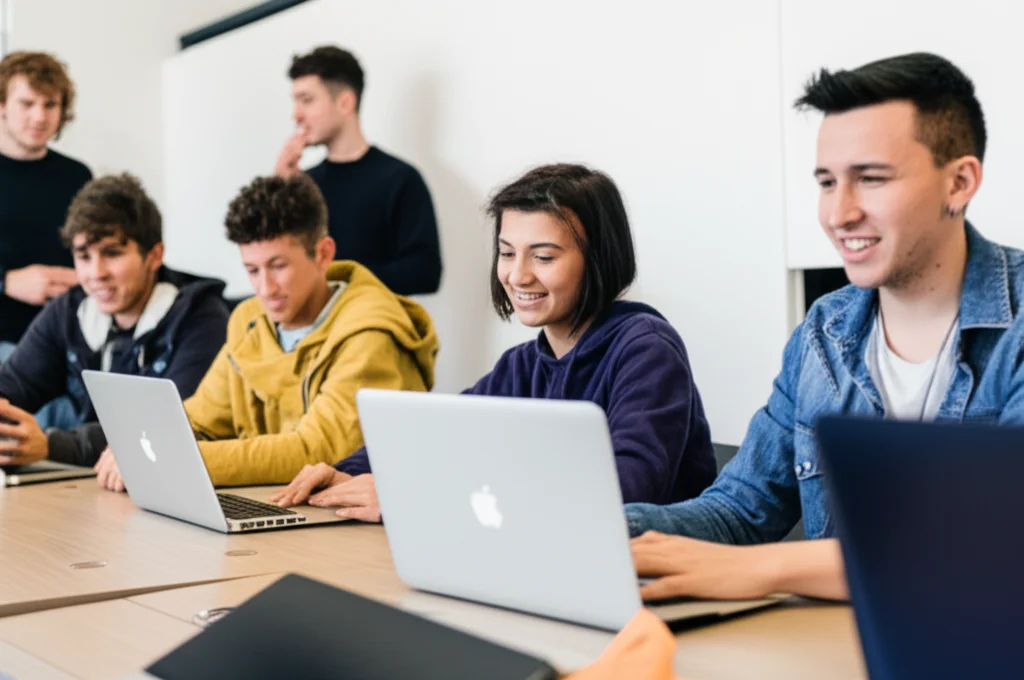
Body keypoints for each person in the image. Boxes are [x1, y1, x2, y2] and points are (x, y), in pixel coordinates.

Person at [626, 52, 1024, 603]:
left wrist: (768, 569)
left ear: (959, 182)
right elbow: (739, 511)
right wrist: (605, 532)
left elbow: (993, 547)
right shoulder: (823, 333)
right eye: (827, 182)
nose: (839, 214)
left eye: (871, 179)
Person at [270, 163, 717, 519]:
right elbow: (438, 433)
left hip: (648, 585)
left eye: (543, 256)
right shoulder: (522, 365)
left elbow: (623, 491)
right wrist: (345, 472)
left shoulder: (646, 349)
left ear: (599, 258)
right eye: (506, 253)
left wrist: (417, 497)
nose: (518, 275)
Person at [94, 174, 439, 491]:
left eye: (278, 266)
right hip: (272, 508)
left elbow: (317, 451)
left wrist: (175, 461)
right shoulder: (249, 320)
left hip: (347, 530)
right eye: (252, 270)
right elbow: (200, 418)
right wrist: (144, 444)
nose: (265, 288)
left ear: (323, 254)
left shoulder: (370, 334)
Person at [0, 174, 228, 469]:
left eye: (112, 254)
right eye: (83, 257)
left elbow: (168, 429)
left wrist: (51, 446)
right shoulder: (70, 310)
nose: (96, 273)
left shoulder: (202, 318)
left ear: (154, 255)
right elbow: (13, 384)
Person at [275, 45, 442, 296]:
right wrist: (280, 193)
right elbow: (279, 265)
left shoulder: (399, 178)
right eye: (295, 101)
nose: (296, 115)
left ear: (345, 102)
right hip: (313, 331)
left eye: (307, 100)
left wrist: (336, 279)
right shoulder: (302, 184)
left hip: (374, 327)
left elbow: (425, 273)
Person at [0, 51, 91, 355]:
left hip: (68, 340)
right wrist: (6, 282)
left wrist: (88, 275)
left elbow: (93, 248)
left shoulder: (77, 176)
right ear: (2, 105)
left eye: (50, 104)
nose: (39, 116)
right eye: (27, 103)